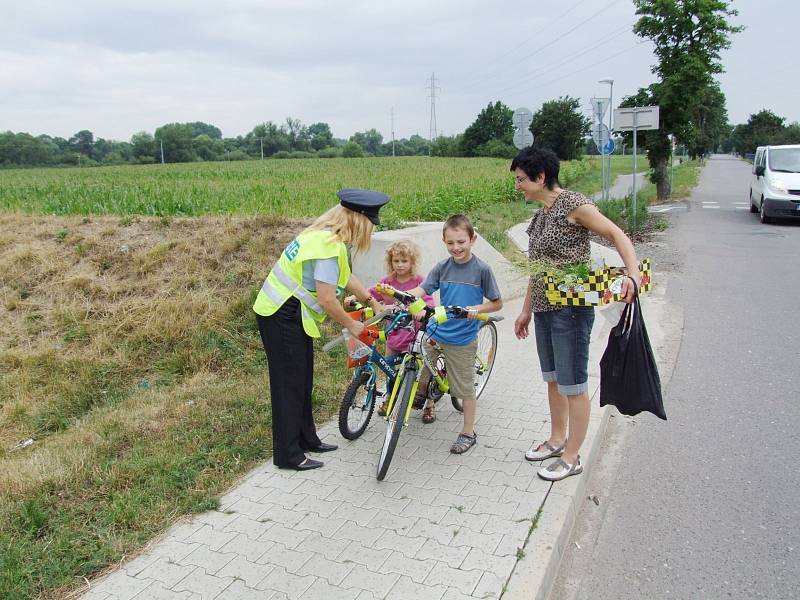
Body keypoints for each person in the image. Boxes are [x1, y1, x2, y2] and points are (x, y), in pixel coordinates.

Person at [511, 146, 640, 481]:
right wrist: (525, 310)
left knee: (574, 384)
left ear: (541, 177)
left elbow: (616, 234)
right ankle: (557, 439)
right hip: (543, 310)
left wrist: (632, 274)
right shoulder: (540, 215)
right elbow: (536, 269)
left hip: (570, 310)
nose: (518, 186)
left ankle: (572, 457)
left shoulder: (574, 205)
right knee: (553, 379)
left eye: (521, 180)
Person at [253, 188, 389, 471]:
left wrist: (371, 301)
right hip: (281, 314)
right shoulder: (327, 246)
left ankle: (307, 439)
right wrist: (351, 324)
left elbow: (344, 275)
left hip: (290, 314)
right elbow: (327, 299)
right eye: (370, 227)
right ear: (359, 222)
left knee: (302, 378)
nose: (369, 234)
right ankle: (288, 455)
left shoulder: (325, 237)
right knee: (289, 384)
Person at [390, 214, 502, 453]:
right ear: (444, 241)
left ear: (473, 239)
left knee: (464, 388)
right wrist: (406, 295)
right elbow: (424, 288)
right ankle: (423, 392)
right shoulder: (442, 267)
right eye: (450, 243)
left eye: (461, 242)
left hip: (462, 337)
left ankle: (468, 432)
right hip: (437, 329)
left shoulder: (482, 269)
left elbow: (496, 303)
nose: (456, 247)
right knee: (421, 357)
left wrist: (476, 309)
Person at [360, 239, 434, 418]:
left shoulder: (419, 281)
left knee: (425, 371)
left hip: (415, 336)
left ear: (412, 262)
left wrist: (423, 310)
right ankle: (390, 398)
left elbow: (429, 301)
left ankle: (429, 404)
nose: (400, 265)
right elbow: (369, 294)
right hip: (393, 335)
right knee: (389, 369)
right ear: (390, 262)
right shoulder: (386, 283)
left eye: (404, 261)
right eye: (396, 261)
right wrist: (355, 299)